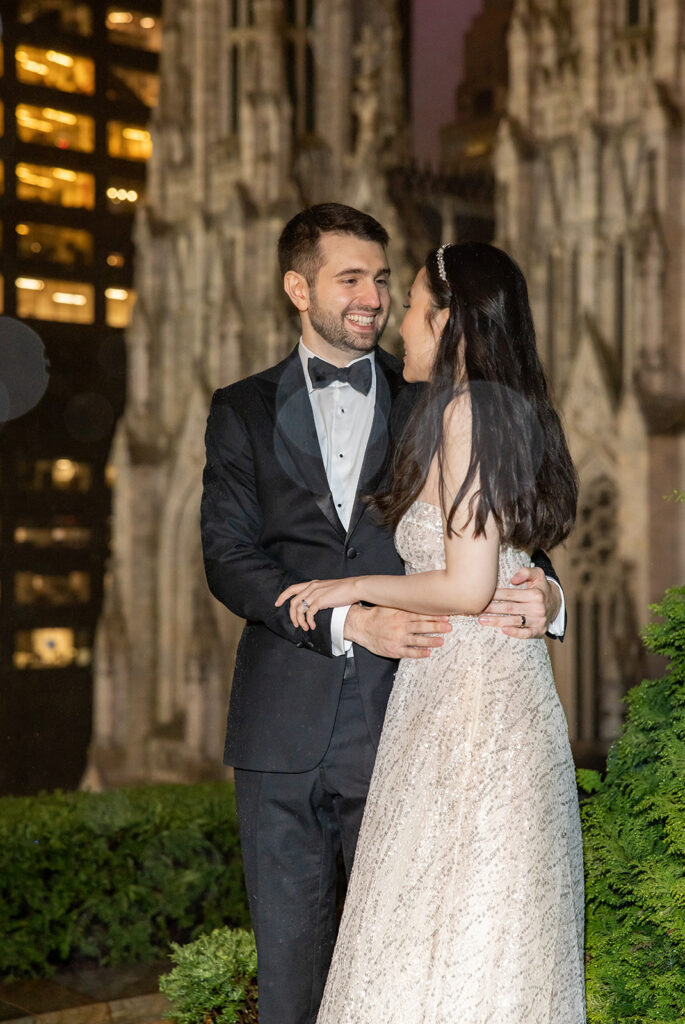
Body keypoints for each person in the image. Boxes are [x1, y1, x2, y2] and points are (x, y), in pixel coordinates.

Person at [201, 206, 566, 1024]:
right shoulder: (240, 409)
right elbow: (228, 560)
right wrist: (345, 619)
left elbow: (497, 536)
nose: (373, 297)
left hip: (405, 726)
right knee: (294, 983)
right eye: (351, 279)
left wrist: (547, 596)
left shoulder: (436, 397)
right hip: (280, 738)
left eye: (383, 281)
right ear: (298, 289)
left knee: (414, 959)